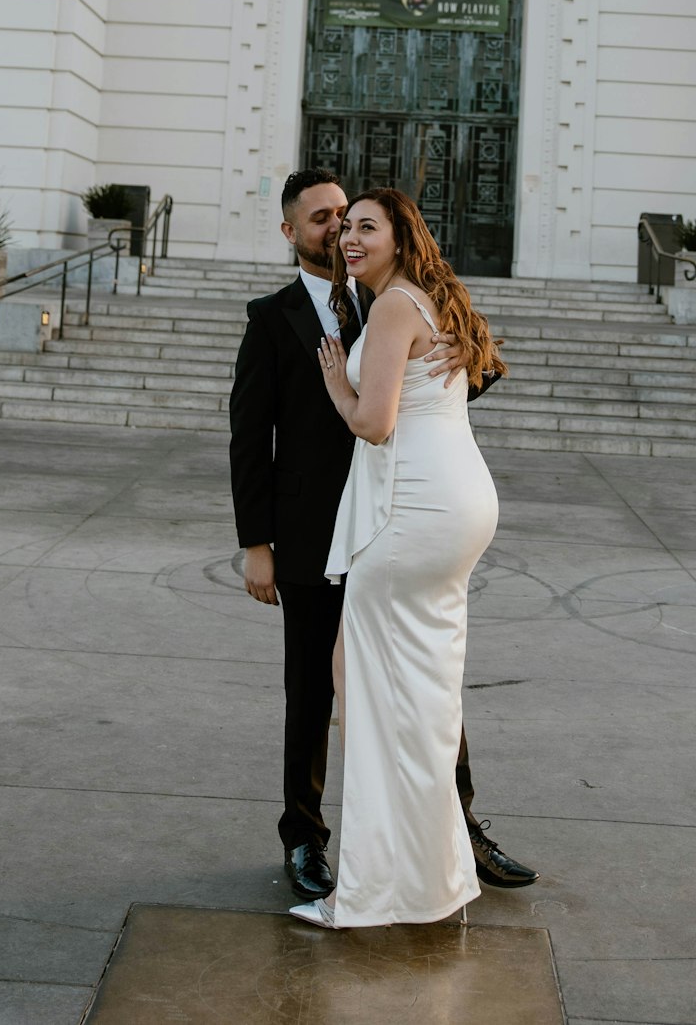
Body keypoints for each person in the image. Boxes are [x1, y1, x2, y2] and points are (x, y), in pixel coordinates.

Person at [229, 168, 537, 908]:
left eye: (348, 216)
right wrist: (256, 541)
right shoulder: (271, 321)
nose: (338, 229)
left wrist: (467, 354)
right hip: (311, 534)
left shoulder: (390, 296)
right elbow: (249, 437)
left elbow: (467, 374)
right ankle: (305, 840)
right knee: (312, 692)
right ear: (289, 232)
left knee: (421, 677)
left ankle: (456, 830)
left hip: (399, 522)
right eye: (323, 219)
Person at [289, 187, 511, 928]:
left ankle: (388, 883)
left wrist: (335, 383)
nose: (349, 239)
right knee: (421, 693)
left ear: (400, 236)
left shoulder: (390, 307)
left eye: (366, 228)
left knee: (378, 697)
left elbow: (375, 425)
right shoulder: (431, 299)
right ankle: (434, 871)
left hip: (413, 510)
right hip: (462, 500)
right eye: (345, 228)